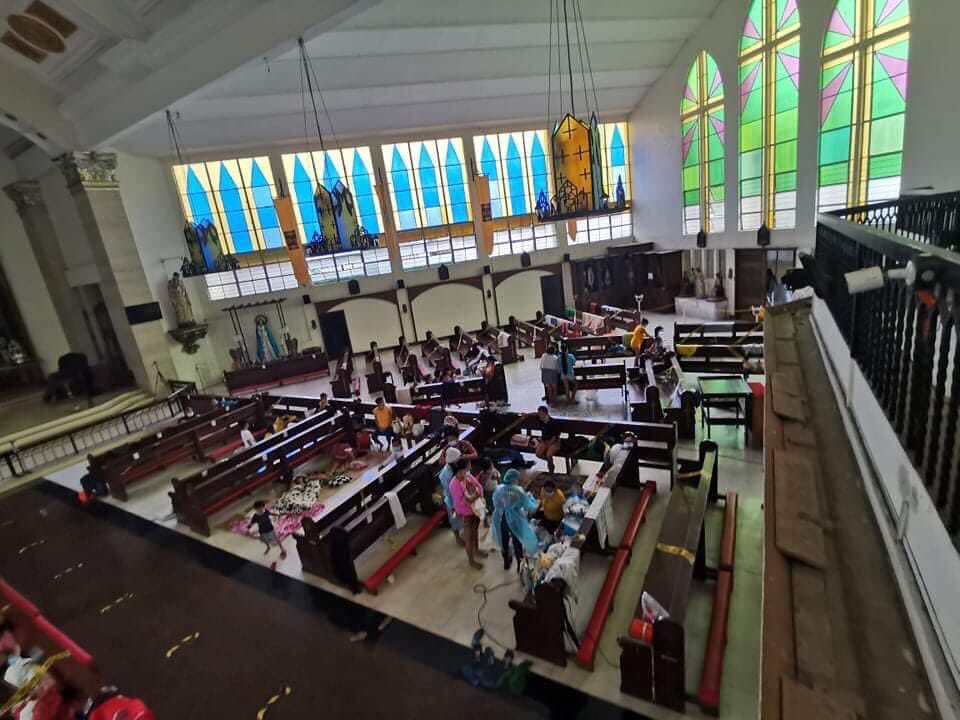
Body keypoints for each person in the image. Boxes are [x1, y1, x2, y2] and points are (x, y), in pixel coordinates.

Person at [491, 469, 539, 570]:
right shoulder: (518, 490)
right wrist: (534, 501)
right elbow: (529, 507)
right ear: (515, 479)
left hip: (501, 517)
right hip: (514, 519)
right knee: (517, 541)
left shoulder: (499, 489)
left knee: (504, 540)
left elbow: (495, 503)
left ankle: (506, 562)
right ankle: (519, 565)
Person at [449, 458, 487, 569]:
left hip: (475, 510)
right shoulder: (454, 484)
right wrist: (474, 498)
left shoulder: (468, 477)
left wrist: (475, 497)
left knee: (475, 531)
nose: (468, 470)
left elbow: (479, 487)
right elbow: (459, 502)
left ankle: (477, 550)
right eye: (466, 468)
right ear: (460, 470)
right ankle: (471, 561)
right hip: (467, 514)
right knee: (469, 537)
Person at [438, 447, 464, 545]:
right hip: (452, 501)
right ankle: (457, 538)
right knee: (454, 520)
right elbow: (450, 492)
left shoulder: (455, 468)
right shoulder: (445, 474)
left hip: (459, 498)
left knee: (461, 519)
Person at [534, 405, 562, 473]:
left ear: (546, 414)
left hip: (554, 441)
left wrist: (549, 444)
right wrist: (527, 415)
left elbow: (555, 435)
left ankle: (551, 468)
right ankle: (549, 461)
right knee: (538, 454)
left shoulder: (554, 422)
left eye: (541, 414)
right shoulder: (541, 420)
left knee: (549, 455)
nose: (540, 416)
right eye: (539, 414)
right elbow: (535, 414)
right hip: (544, 440)